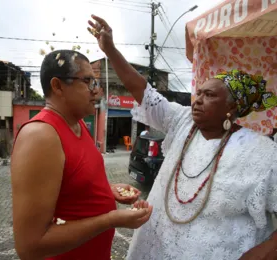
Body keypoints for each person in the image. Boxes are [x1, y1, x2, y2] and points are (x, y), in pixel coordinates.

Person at [88, 15, 277, 260]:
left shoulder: (262, 152)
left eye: (209, 96)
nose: (197, 100)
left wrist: (261, 254)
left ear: (232, 108)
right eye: (198, 94)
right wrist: (111, 50)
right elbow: (142, 91)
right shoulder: (183, 121)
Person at [11, 50, 153, 260]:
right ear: (58, 86)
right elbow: (30, 246)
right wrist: (111, 219)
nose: (96, 91)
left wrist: (108, 190)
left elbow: (72, 181)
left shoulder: (78, 125)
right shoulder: (41, 136)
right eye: (87, 81)